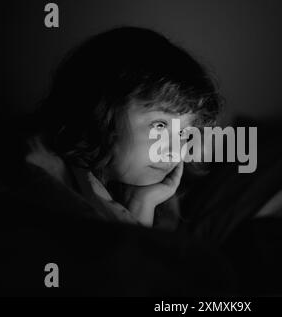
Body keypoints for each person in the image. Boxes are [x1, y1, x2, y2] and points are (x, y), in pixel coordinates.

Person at [19, 26, 222, 228]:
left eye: (184, 133)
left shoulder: (154, 190)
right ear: (98, 111)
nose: (173, 152)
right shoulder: (38, 180)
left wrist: (142, 203)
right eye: (159, 125)